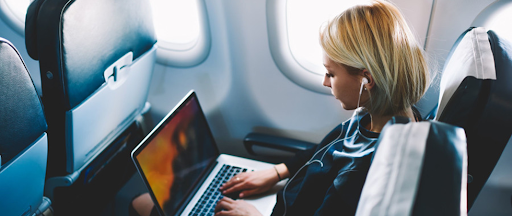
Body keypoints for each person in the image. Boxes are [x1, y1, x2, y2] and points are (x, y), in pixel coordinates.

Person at [130, 0, 428, 215]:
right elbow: (326, 151)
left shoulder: (363, 172)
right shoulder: (377, 117)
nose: (325, 83)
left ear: (367, 80)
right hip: (285, 199)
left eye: (331, 73)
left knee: (144, 205)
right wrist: (277, 172)